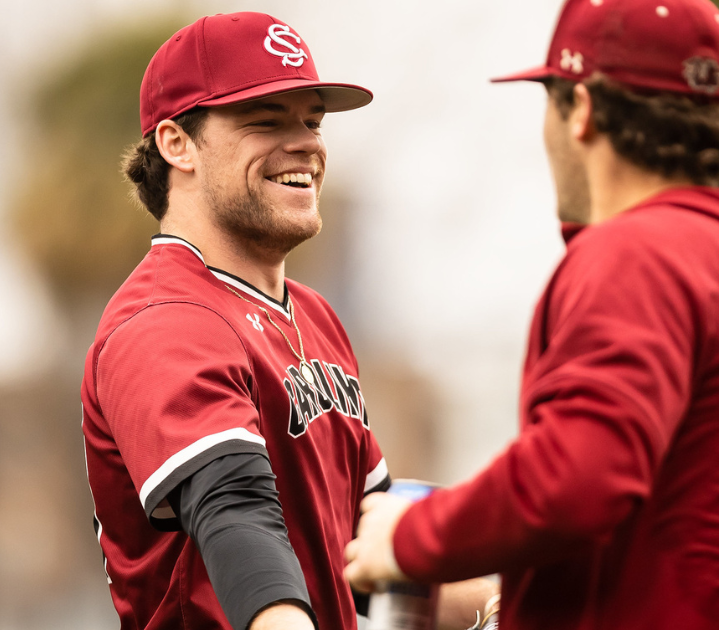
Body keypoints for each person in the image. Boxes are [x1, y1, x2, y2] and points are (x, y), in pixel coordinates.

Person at [343, 0, 719, 629]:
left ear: (580, 110)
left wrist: (412, 534)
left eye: (549, 101)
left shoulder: (639, 253)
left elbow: (580, 475)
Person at [81, 13, 493, 630]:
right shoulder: (164, 320)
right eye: (266, 121)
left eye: (312, 120)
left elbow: (366, 556)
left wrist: (511, 596)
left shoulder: (314, 315)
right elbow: (234, 516)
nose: (306, 144)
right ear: (176, 144)